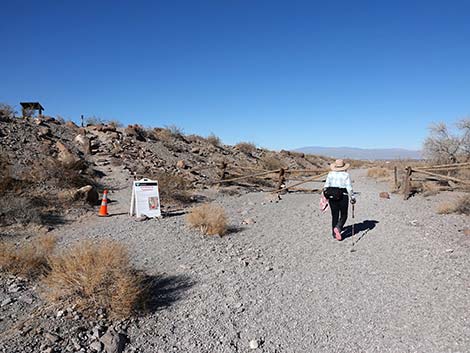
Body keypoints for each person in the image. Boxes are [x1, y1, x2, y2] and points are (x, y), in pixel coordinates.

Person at [323, 159, 356, 241]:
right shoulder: (346, 175)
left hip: (332, 196)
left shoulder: (330, 174)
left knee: (335, 215)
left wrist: (326, 196)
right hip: (343, 196)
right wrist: (352, 197)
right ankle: (338, 228)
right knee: (344, 214)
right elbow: (349, 187)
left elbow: (326, 186)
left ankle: (334, 233)